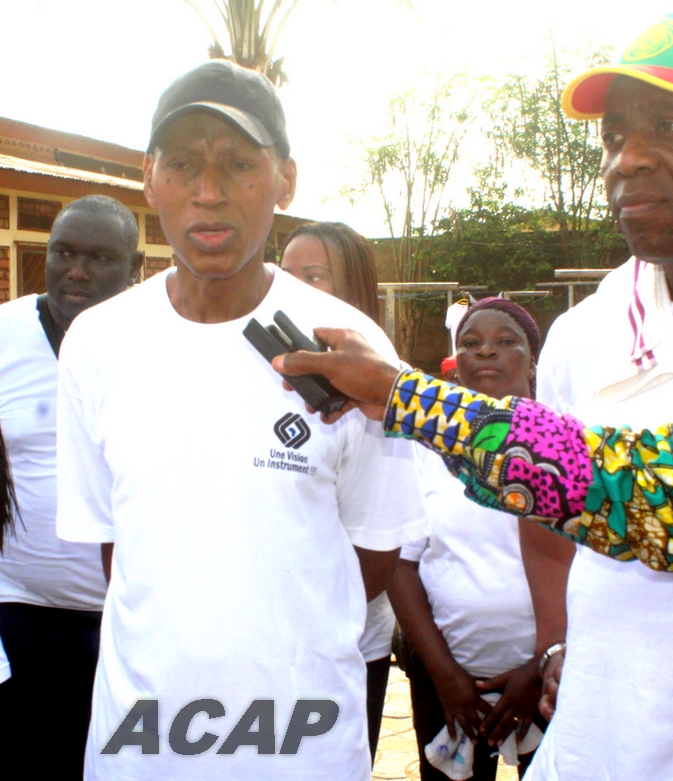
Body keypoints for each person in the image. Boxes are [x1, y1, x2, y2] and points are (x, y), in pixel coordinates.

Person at [275, 12, 673, 779]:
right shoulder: (590, 330)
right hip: (585, 749)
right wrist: (557, 642)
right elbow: (556, 514)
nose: (629, 160)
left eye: (668, 125)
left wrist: (402, 395)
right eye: (614, 135)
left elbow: (640, 489)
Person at [55, 60, 426, 781]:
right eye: (184, 164)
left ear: (286, 178)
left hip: (302, 743)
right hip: (143, 739)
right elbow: (115, 548)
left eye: (238, 164)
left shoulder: (348, 345)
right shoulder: (96, 343)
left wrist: (284, 634)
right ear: (148, 175)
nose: (208, 193)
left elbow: (376, 551)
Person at [0, 194, 143, 779]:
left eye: (99, 257)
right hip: (20, 616)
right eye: (63, 252)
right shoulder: (4, 335)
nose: (76, 270)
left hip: (131, 626)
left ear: (134, 269)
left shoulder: (159, 346)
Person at [389, 297, 544, 781]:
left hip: (549, 683)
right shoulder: (426, 449)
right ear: (456, 363)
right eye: (471, 344)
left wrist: (541, 664)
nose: (486, 353)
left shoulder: (569, 448)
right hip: (450, 685)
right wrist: (444, 675)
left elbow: (595, 570)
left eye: (505, 342)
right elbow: (401, 565)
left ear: (533, 361)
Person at [280, 220, 393, 765]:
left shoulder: (382, 391)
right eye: (285, 274)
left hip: (344, 647)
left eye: (314, 277)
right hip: (268, 645)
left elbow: (380, 549)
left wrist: (316, 623)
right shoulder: (268, 371)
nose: (292, 289)